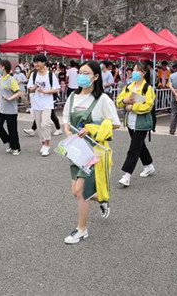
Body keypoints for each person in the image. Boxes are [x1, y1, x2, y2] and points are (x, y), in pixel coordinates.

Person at [62, 60, 120, 244]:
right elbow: (65, 119)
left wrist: (92, 128)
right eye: (80, 72)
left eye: (86, 73)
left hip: (93, 153)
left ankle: (81, 229)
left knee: (81, 191)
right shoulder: (72, 97)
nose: (81, 76)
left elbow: (115, 123)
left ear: (96, 77)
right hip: (76, 150)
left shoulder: (102, 99)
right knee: (76, 192)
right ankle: (102, 199)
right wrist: (67, 131)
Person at [116, 63, 156, 187]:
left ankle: (126, 175)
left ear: (144, 73)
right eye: (133, 70)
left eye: (137, 70)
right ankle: (149, 165)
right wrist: (125, 101)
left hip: (142, 123)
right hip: (130, 123)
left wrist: (132, 107)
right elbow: (119, 101)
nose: (134, 72)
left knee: (134, 148)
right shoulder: (129, 87)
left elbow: (148, 105)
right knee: (139, 145)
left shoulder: (148, 89)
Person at [27, 54, 60, 156]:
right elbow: (30, 89)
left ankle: (47, 145)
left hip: (47, 103)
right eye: (35, 62)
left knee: (45, 124)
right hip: (36, 104)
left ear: (44, 63)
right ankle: (43, 144)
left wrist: (45, 91)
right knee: (39, 125)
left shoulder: (50, 75)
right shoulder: (33, 75)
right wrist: (36, 86)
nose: (36, 64)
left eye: (38, 62)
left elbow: (56, 89)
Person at [0, 60, 22, 156]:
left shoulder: (11, 80)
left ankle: (16, 147)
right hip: (1, 108)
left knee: (12, 129)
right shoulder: (0, 79)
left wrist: (10, 98)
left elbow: (18, 92)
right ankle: (8, 141)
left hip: (11, 109)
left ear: (3, 67)